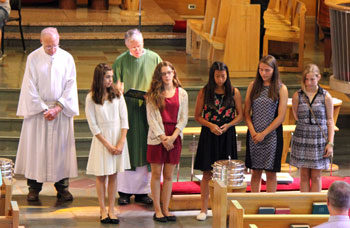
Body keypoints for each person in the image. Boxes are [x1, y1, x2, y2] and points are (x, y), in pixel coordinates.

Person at [15, 27, 79, 201]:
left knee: (61, 151)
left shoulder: (67, 58)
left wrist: (58, 107)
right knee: (37, 150)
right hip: (39, 113)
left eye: (55, 45)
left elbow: (71, 85)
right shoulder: (33, 58)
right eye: (48, 46)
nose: (52, 50)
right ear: (41, 41)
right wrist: (44, 108)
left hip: (60, 111)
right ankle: (34, 188)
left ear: (59, 40)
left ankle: (63, 188)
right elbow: (29, 86)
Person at [112, 28, 162, 205]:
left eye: (139, 46)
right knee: (129, 148)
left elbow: (163, 82)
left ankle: (143, 191)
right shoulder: (120, 61)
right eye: (133, 48)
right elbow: (114, 85)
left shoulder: (154, 58)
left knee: (146, 148)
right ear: (127, 46)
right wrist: (117, 89)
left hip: (148, 109)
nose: (137, 51)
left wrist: (154, 95)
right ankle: (124, 191)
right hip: (128, 110)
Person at [194, 61, 243, 221]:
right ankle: (203, 208)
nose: (220, 79)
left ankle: (226, 209)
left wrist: (228, 125)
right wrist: (211, 125)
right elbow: (197, 116)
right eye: (217, 76)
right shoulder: (205, 92)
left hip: (227, 135)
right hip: (209, 135)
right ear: (212, 76)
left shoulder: (234, 92)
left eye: (223, 76)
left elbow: (240, 115)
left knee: (227, 174)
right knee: (207, 173)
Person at [85, 63, 131, 224]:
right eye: (107, 77)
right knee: (101, 176)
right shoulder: (91, 97)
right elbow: (93, 125)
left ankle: (112, 209)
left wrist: (120, 142)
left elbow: (124, 119)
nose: (110, 80)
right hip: (102, 140)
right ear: (99, 78)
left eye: (111, 76)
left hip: (117, 136)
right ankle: (102, 209)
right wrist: (108, 145)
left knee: (113, 175)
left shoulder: (118, 94)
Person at [146, 61, 188, 223]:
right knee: (156, 174)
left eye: (169, 72)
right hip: (158, 138)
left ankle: (166, 209)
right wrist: (163, 138)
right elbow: (151, 119)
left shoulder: (182, 94)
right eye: (163, 74)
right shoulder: (152, 95)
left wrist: (173, 137)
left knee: (169, 175)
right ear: (159, 76)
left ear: (174, 73)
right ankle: (157, 210)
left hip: (175, 136)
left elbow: (184, 118)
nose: (167, 76)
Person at [244, 55, 288, 193]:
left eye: (267, 70)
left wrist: (263, 133)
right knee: (255, 172)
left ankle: (270, 205)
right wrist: (253, 132)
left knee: (271, 173)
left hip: (271, 136)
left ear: (274, 70)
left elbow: (281, 117)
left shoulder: (281, 88)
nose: (263, 73)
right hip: (254, 135)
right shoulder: (253, 86)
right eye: (261, 69)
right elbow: (246, 112)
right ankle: (254, 203)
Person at [290, 64, 334, 192]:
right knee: (303, 175)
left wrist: (330, 143)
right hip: (302, 136)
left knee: (316, 176)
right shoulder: (297, 95)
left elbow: (330, 121)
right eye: (306, 79)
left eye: (312, 79)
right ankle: (304, 206)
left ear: (319, 77)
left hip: (318, 138)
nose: (309, 83)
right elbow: (296, 116)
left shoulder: (326, 96)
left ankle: (315, 208)